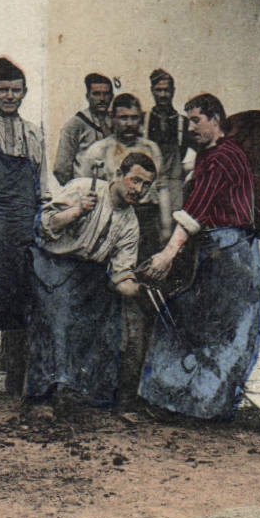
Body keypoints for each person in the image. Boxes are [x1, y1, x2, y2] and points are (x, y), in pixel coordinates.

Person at [141, 94, 260, 436]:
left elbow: (195, 212)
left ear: (215, 118)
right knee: (185, 318)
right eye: (188, 121)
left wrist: (167, 255)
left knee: (240, 336)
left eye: (196, 119)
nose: (191, 126)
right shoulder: (209, 156)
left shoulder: (223, 157)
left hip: (232, 257)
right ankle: (182, 402)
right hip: (214, 254)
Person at [26, 154, 157, 412]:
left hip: (91, 274)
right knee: (58, 316)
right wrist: (76, 211)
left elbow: (121, 273)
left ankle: (80, 392)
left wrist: (141, 288)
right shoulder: (83, 187)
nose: (138, 190)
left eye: (146, 185)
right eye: (134, 181)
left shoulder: (130, 222)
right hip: (51, 264)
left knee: (108, 322)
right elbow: (43, 225)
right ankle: (41, 397)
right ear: (119, 174)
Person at [75, 92, 165, 400]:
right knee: (105, 304)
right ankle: (97, 383)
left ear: (142, 118)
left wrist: (164, 234)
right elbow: (85, 192)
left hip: (146, 227)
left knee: (141, 308)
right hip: (108, 228)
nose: (129, 123)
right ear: (112, 118)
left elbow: (161, 191)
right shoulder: (98, 150)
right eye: (122, 117)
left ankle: (135, 386)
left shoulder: (151, 149)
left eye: (134, 117)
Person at [0, 56, 48, 398]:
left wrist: (43, 222)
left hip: (22, 229)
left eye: (16, 90)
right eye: (3, 90)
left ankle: (16, 377)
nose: (9, 96)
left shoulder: (33, 133)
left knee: (21, 302)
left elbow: (44, 185)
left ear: (25, 93)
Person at [146, 68, 190, 242]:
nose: (163, 94)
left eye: (167, 90)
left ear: (173, 91)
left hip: (174, 191)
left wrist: (187, 171)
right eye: (159, 90)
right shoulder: (143, 120)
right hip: (147, 188)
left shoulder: (183, 123)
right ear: (152, 91)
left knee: (172, 238)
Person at [53, 72, 114, 186]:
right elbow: (61, 168)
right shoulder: (75, 125)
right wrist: (77, 188)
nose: (102, 99)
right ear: (88, 96)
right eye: (96, 94)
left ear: (112, 96)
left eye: (106, 94)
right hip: (85, 191)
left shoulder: (116, 122)